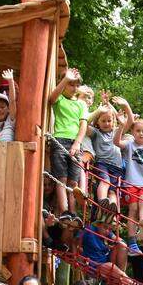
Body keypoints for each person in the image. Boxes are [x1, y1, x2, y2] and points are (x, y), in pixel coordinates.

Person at [111, 97, 143, 253]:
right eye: (138, 131)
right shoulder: (129, 145)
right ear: (132, 132)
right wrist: (122, 125)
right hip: (130, 183)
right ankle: (132, 241)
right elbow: (116, 142)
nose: (141, 133)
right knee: (133, 208)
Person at [47, 66, 87, 217]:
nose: (74, 87)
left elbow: (83, 125)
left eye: (77, 84)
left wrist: (77, 143)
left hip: (75, 144)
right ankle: (64, 210)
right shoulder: (60, 99)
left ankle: (73, 211)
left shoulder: (81, 104)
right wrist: (65, 79)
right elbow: (51, 99)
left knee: (73, 181)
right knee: (61, 179)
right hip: (59, 140)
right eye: (71, 83)